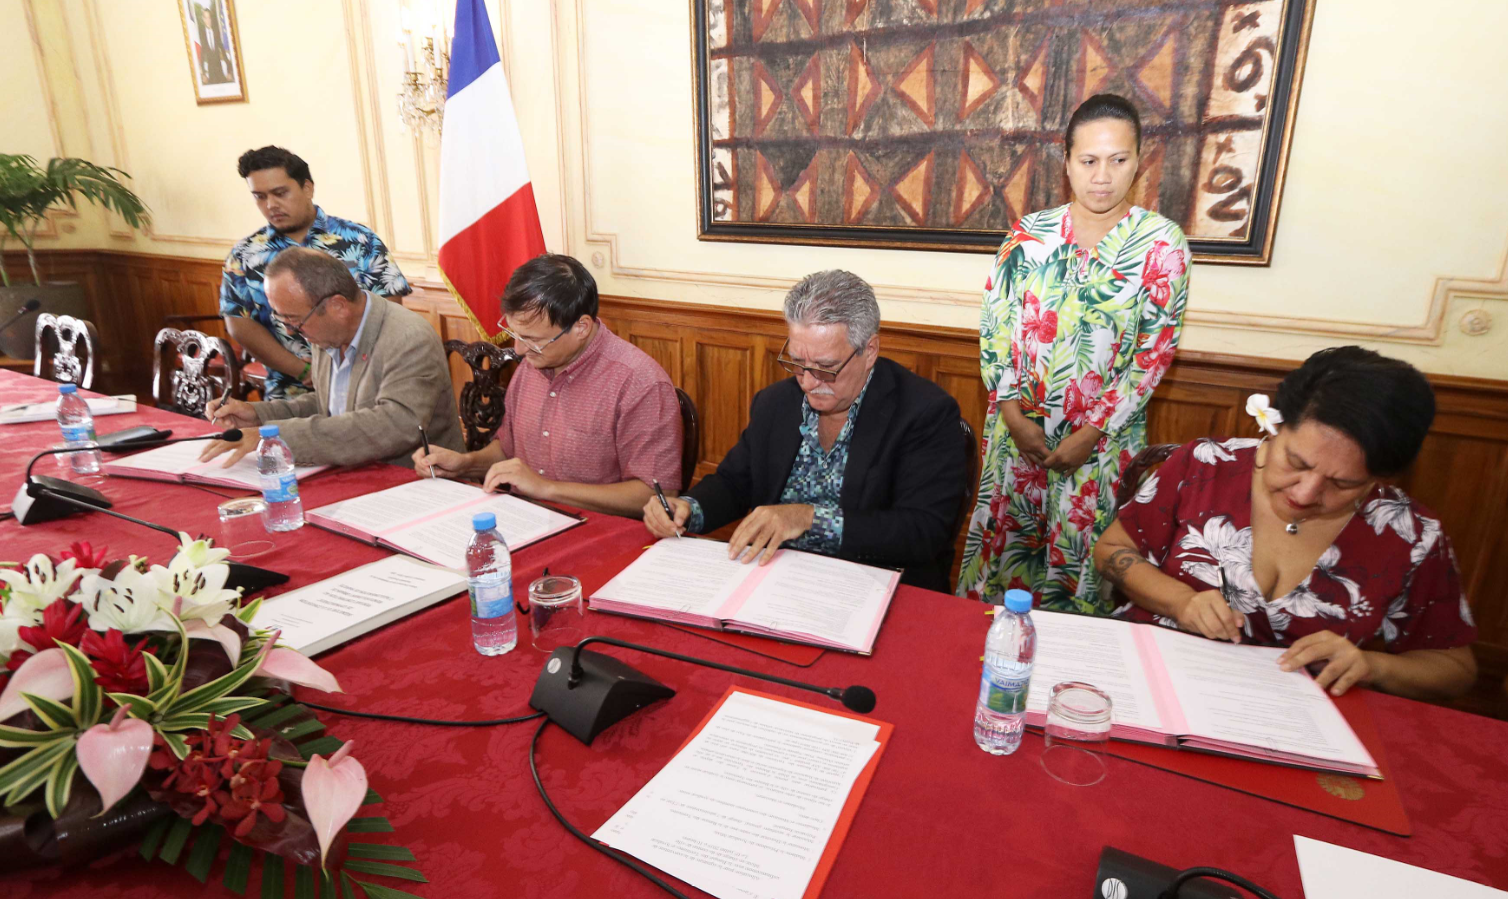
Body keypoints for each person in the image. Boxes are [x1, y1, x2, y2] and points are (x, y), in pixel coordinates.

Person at [1094, 347, 1478, 701]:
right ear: (1274, 426)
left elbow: (1455, 669)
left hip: (1293, 718)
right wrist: (1180, 602)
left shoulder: (1409, 532)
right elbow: (1111, 551)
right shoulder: (1205, 465)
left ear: (1381, 477)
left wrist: (1374, 666)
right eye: (1296, 462)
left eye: (1343, 483)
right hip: (1151, 680)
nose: (1306, 494)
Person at [957, 93, 1191, 613]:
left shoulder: (1161, 245)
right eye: (1088, 161)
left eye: (1118, 160)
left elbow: (1152, 356)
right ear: (1066, 163)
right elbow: (994, 331)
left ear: (1139, 161)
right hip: (1018, 440)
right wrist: (1013, 415)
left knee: (1082, 572)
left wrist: (1091, 433)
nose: (1102, 176)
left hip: (1101, 448)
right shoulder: (1027, 236)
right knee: (1003, 572)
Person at [643, 270, 969, 591]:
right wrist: (687, 510)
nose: (809, 382)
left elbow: (922, 531)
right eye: (797, 362)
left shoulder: (924, 412)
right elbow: (734, 483)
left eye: (826, 369)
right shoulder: (776, 403)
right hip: (776, 582)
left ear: (869, 351)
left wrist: (808, 517)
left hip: (874, 589)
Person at [413, 254, 682, 517]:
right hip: (524, 520)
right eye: (514, 334)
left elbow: (657, 496)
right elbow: (508, 450)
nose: (518, 350)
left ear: (581, 328)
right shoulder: (534, 362)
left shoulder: (639, 382)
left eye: (531, 339)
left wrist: (547, 489)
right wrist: (464, 464)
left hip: (597, 534)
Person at [200, 247, 463, 468]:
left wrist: (277, 438)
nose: (292, 330)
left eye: (294, 320)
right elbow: (332, 405)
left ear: (337, 306)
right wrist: (259, 416)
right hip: (353, 474)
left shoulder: (408, 337)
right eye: (284, 320)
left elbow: (393, 426)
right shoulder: (325, 328)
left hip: (411, 482)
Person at [221, 146, 411, 400]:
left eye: (280, 193)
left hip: (365, 384)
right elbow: (239, 325)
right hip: (290, 391)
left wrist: (359, 364)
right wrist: (306, 371)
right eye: (259, 196)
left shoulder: (358, 240)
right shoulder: (244, 256)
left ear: (307, 188)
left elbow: (390, 308)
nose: (270, 205)